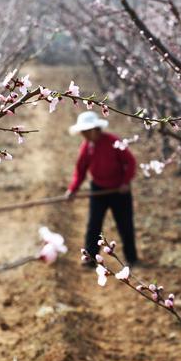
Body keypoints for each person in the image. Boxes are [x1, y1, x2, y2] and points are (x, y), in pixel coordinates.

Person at [66, 111, 139, 265]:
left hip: (119, 191)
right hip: (98, 190)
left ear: (95, 129)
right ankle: (91, 259)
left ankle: (132, 258)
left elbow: (130, 162)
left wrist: (125, 182)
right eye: (82, 132)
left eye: (86, 132)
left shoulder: (113, 141)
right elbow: (80, 170)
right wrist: (73, 189)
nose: (84, 135)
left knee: (125, 225)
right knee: (94, 225)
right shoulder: (87, 147)